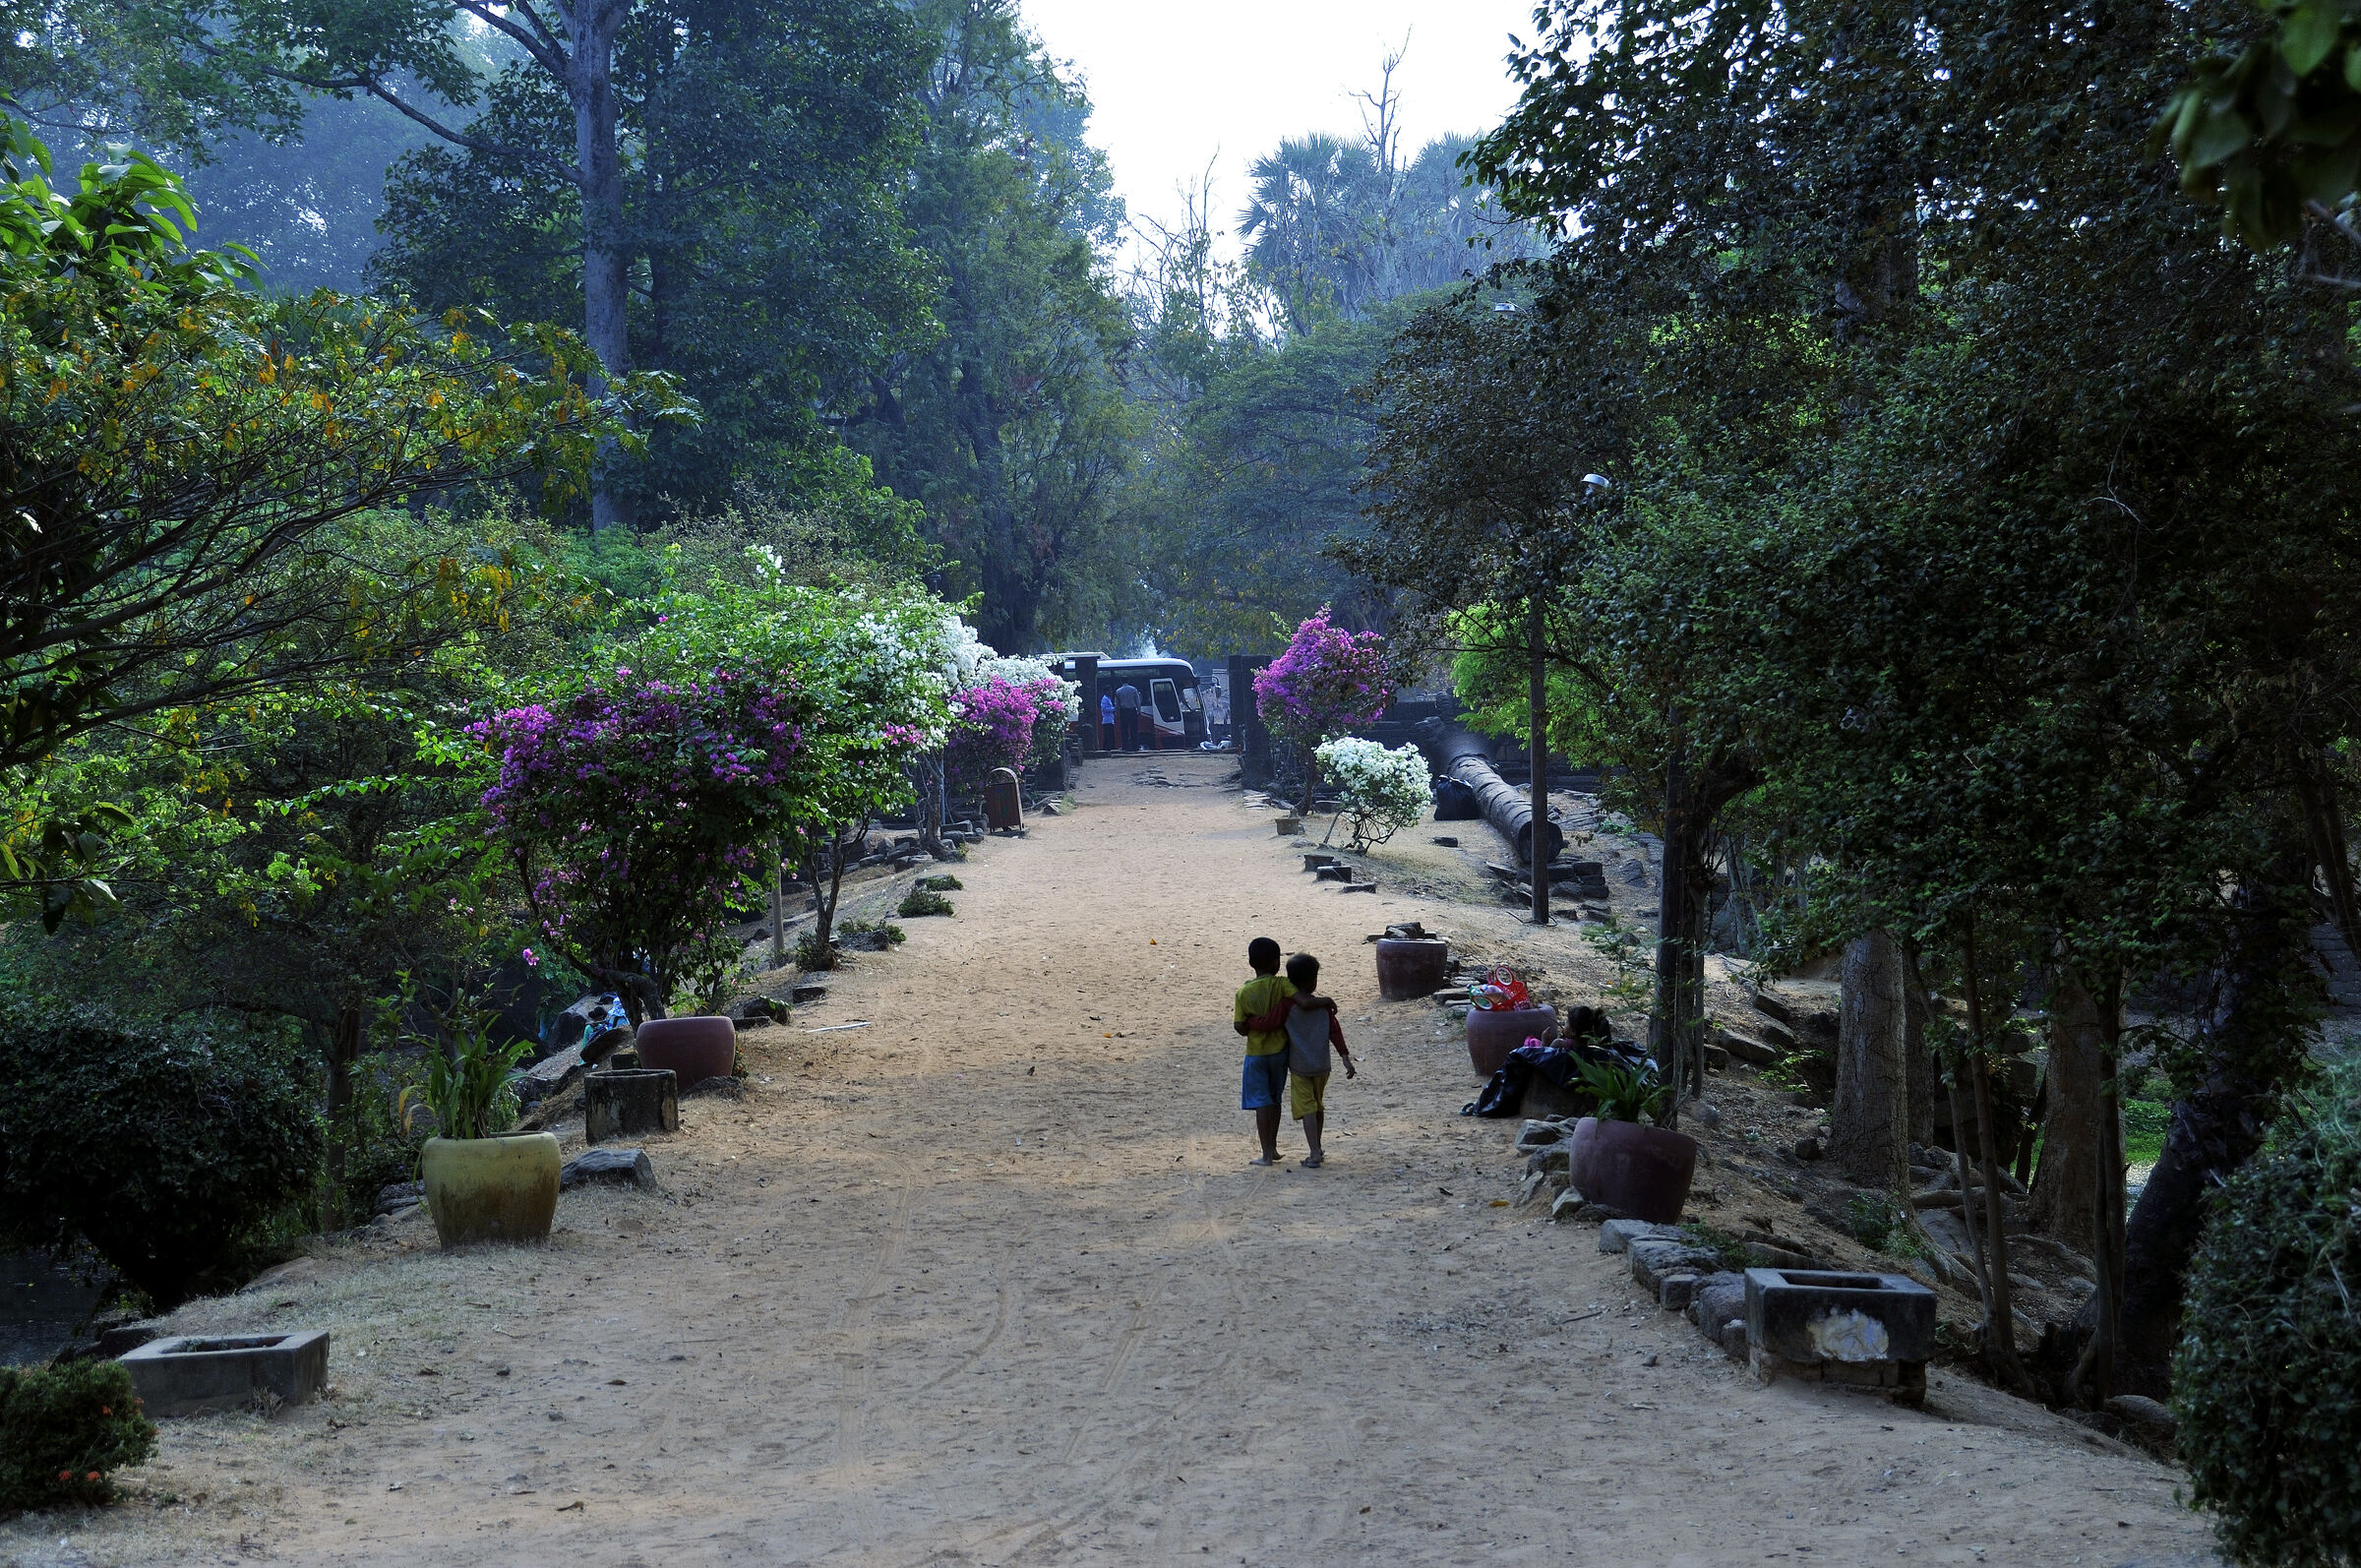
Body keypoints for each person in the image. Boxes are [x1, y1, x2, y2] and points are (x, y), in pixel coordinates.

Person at [1247, 953, 1358, 1168]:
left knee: (1307, 1108)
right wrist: (1345, 1057)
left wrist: (1250, 1022)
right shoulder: (1324, 1007)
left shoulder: (1287, 1005)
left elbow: (1269, 1023)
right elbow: (1335, 1032)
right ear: (1313, 980)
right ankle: (1317, 1146)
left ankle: (1314, 1153)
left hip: (1300, 1068)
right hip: (1323, 1066)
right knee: (1318, 1106)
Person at [1231, 936, 1295, 1166]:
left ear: (1251, 963)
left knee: (1261, 1102)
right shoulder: (1282, 985)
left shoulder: (1243, 993)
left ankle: (1266, 1153)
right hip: (1280, 1051)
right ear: (1276, 963)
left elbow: (1239, 1026)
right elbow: (1298, 999)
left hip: (1256, 1054)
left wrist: (1253, 1025)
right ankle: (1274, 1147)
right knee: (1275, 1100)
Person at [1115, 680, 1142, 751]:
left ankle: (1125, 747)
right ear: (1129, 681)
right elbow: (1137, 701)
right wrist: (1139, 711)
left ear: (1121, 682)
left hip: (1123, 712)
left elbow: (1116, 704)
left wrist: (1117, 714)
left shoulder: (1118, 691)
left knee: (1124, 730)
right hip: (1132, 711)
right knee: (1134, 730)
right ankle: (1135, 747)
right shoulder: (1133, 689)